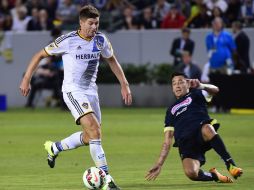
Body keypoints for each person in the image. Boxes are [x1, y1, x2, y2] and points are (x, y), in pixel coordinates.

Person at [20, 5, 132, 190]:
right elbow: (40, 54)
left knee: (91, 137)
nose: (94, 27)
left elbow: (111, 60)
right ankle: (107, 180)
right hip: (73, 91)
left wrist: (124, 84)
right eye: (91, 23)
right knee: (95, 131)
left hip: (91, 92)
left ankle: (54, 148)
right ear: (81, 23)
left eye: (97, 23)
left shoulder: (101, 39)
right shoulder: (68, 40)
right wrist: (26, 79)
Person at [146, 72, 243, 183]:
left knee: (208, 128)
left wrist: (201, 85)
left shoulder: (197, 94)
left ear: (188, 84)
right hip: (186, 143)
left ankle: (230, 165)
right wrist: (159, 164)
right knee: (191, 173)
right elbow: (167, 141)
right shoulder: (170, 111)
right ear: (172, 88)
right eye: (174, 83)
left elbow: (216, 90)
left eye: (181, 82)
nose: (177, 85)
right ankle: (215, 176)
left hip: (200, 132)